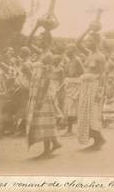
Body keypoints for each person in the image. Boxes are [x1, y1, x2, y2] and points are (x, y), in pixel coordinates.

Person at [26, 23, 62, 158]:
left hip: (43, 92)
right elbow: (27, 42)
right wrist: (36, 26)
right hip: (37, 91)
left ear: (46, 40)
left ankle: (47, 149)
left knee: (44, 120)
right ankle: (55, 142)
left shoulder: (48, 56)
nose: (37, 41)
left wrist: (41, 96)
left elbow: (47, 78)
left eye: (40, 39)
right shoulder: (40, 53)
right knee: (41, 119)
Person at [76, 25, 106, 151]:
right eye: (87, 41)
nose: (87, 43)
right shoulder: (88, 54)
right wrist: (88, 29)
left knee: (93, 114)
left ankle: (99, 140)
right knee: (84, 113)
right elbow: (77, 42)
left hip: (94, 87)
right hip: (85, 86)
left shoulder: (100, 57)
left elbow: (102, 75)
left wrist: (100, 93)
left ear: (96, 42)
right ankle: (97, 139)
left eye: (90, 41)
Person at [61, 43, 84, 136]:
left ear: (73, 51)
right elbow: (66, 73)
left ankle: (71, 130)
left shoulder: (77, 60)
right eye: (66, 49)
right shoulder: (67, 61)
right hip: (69, 84)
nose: (66, 51)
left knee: (73, 107)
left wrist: (76, 80)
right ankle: (69, 129)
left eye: (68, 49)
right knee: (68, 107)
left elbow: (82, 72)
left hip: (76, 84)